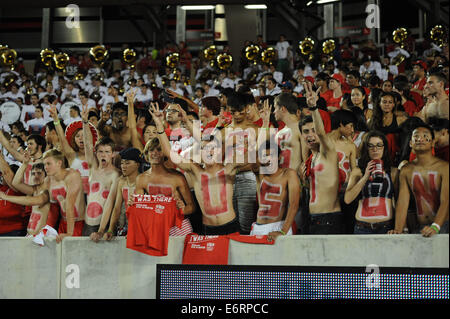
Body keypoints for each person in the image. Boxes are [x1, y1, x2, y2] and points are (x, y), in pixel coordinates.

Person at [149, 101, 247, 235]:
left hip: (231, 226)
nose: (209, 151)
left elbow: (255, 154)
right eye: (204, 148)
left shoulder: (229, 168)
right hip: (208, 229)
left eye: (213, 148)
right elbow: (169, 153)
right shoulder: (195, 170)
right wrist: (159, 125)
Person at [0, 149, 85, 242]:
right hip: (60, 224)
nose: (46, 167)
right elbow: (17, 184)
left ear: (59, 163)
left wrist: (69, 232)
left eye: (48, 164)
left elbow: (70, 206)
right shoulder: (47, 181)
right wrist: (25, 164)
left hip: (76, 223)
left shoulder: (72, 175)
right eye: (45, 164)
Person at [389, 124, 449, 236]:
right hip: (421, 227)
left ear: (432, 142)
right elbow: (402, 202)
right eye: (416, 137)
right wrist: (398, 230)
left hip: (444, 225)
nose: (420, 139)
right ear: (410, 143)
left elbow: (446, 201)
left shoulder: (444, 168)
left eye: (425, 136)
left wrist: (435, 227)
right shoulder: (406, 170)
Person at [299, 82, 343, 234]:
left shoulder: (327, 151)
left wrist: (313, 108)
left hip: (329, 219)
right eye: (305, 132)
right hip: (312, 218)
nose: (310, 135)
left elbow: (322, 134)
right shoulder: (312, 157)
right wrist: (303, 180)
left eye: (313, 130)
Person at [133, 137, 195, 235]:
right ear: (146, 154)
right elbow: (140, 210)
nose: (155, 153)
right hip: (156, 227)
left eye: (159, 149)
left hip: (179, 226)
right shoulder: (141, 179)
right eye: (151, 150)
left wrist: (181, 211)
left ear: (165, 153)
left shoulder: (177, 177)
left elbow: (192, 207)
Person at [344, 131, 398, 234]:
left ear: (384, 148)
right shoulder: (357, 171)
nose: (375, 149)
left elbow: (399, 201)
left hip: (386, 226)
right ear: (366, 149)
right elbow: (348, 199)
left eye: (379, 145)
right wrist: (365, 176)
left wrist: (400, 227)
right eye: (371, 146)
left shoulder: (393, 172)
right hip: (362, 227)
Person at [80, 103, 120, 236]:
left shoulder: (115, 175)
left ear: (113, 154)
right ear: (96, 153)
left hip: (103, 224)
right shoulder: (93, 167)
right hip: (86, 223)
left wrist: (102, 230)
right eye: (100, 151)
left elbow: (110, 204)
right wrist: (85, 123)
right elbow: (87, 144)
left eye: (107, 152)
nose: (103, 155)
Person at [250, 140, 301, 241]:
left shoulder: (289, 174)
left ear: (279, 157)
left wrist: (283, 231)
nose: (268, 159)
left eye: (272, 155)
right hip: (258, 228)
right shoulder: (260, 173)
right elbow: (251, 157)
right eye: (265, 156)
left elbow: (294, 205)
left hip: (280, 227)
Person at [96, 147, 142, 240]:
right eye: (122, 163)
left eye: (127, 163)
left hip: (139, 229)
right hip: (123, 227)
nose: (123, 166)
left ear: (137, 164)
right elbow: (117, 208)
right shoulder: (121, 182)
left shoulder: (143, 181)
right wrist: (110, 230)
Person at [11, 155, 59, 236]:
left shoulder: (49, 191)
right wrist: (25, 164)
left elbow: (33, 201)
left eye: (39, 173)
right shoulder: (34, 189)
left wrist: (5, 197)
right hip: (30, 236)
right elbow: (15, 183)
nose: (36, 176)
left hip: (43, 238)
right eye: (33, 173)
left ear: (46, 175)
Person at [328, 110, 358, 233]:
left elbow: (354, 169)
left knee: (347, 227)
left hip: (346, 191)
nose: (352, 130)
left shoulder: (350, 145)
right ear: (341, 124)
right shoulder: (323, 141)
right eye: (350, 126)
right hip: (327, 192)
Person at [273, 93, 303, 173]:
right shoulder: (279, 133)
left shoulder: (302, 128)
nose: (274, 112)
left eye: (275, 108)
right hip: (279, 181)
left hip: (296, 181)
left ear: (282, 109)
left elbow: (307, 161)